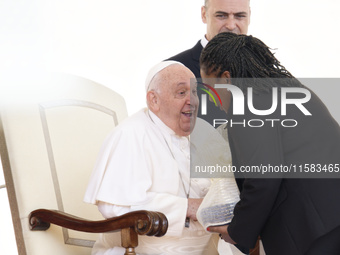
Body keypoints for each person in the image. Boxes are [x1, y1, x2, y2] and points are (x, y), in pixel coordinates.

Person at [199, 32, 340, 255]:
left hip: (312, 229)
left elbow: (264, 178)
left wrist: (237, 231)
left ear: (226, 79)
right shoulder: (287, 89)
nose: (214, 102)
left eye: (211, 89)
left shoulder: (248, 104)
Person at [84, 60, 236, 254]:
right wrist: (187, 207)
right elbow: (113, 206)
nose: (192, 101)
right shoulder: (131, 134)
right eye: (182, 93)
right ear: (153, 100)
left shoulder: (204, 131)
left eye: (195, 92)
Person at [167, 0, 251, 125]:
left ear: (249, 16)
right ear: (203, 14)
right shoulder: (172, 70)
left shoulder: (266, 69)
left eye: (240, 16)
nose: (231, 25)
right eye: (221, 15)